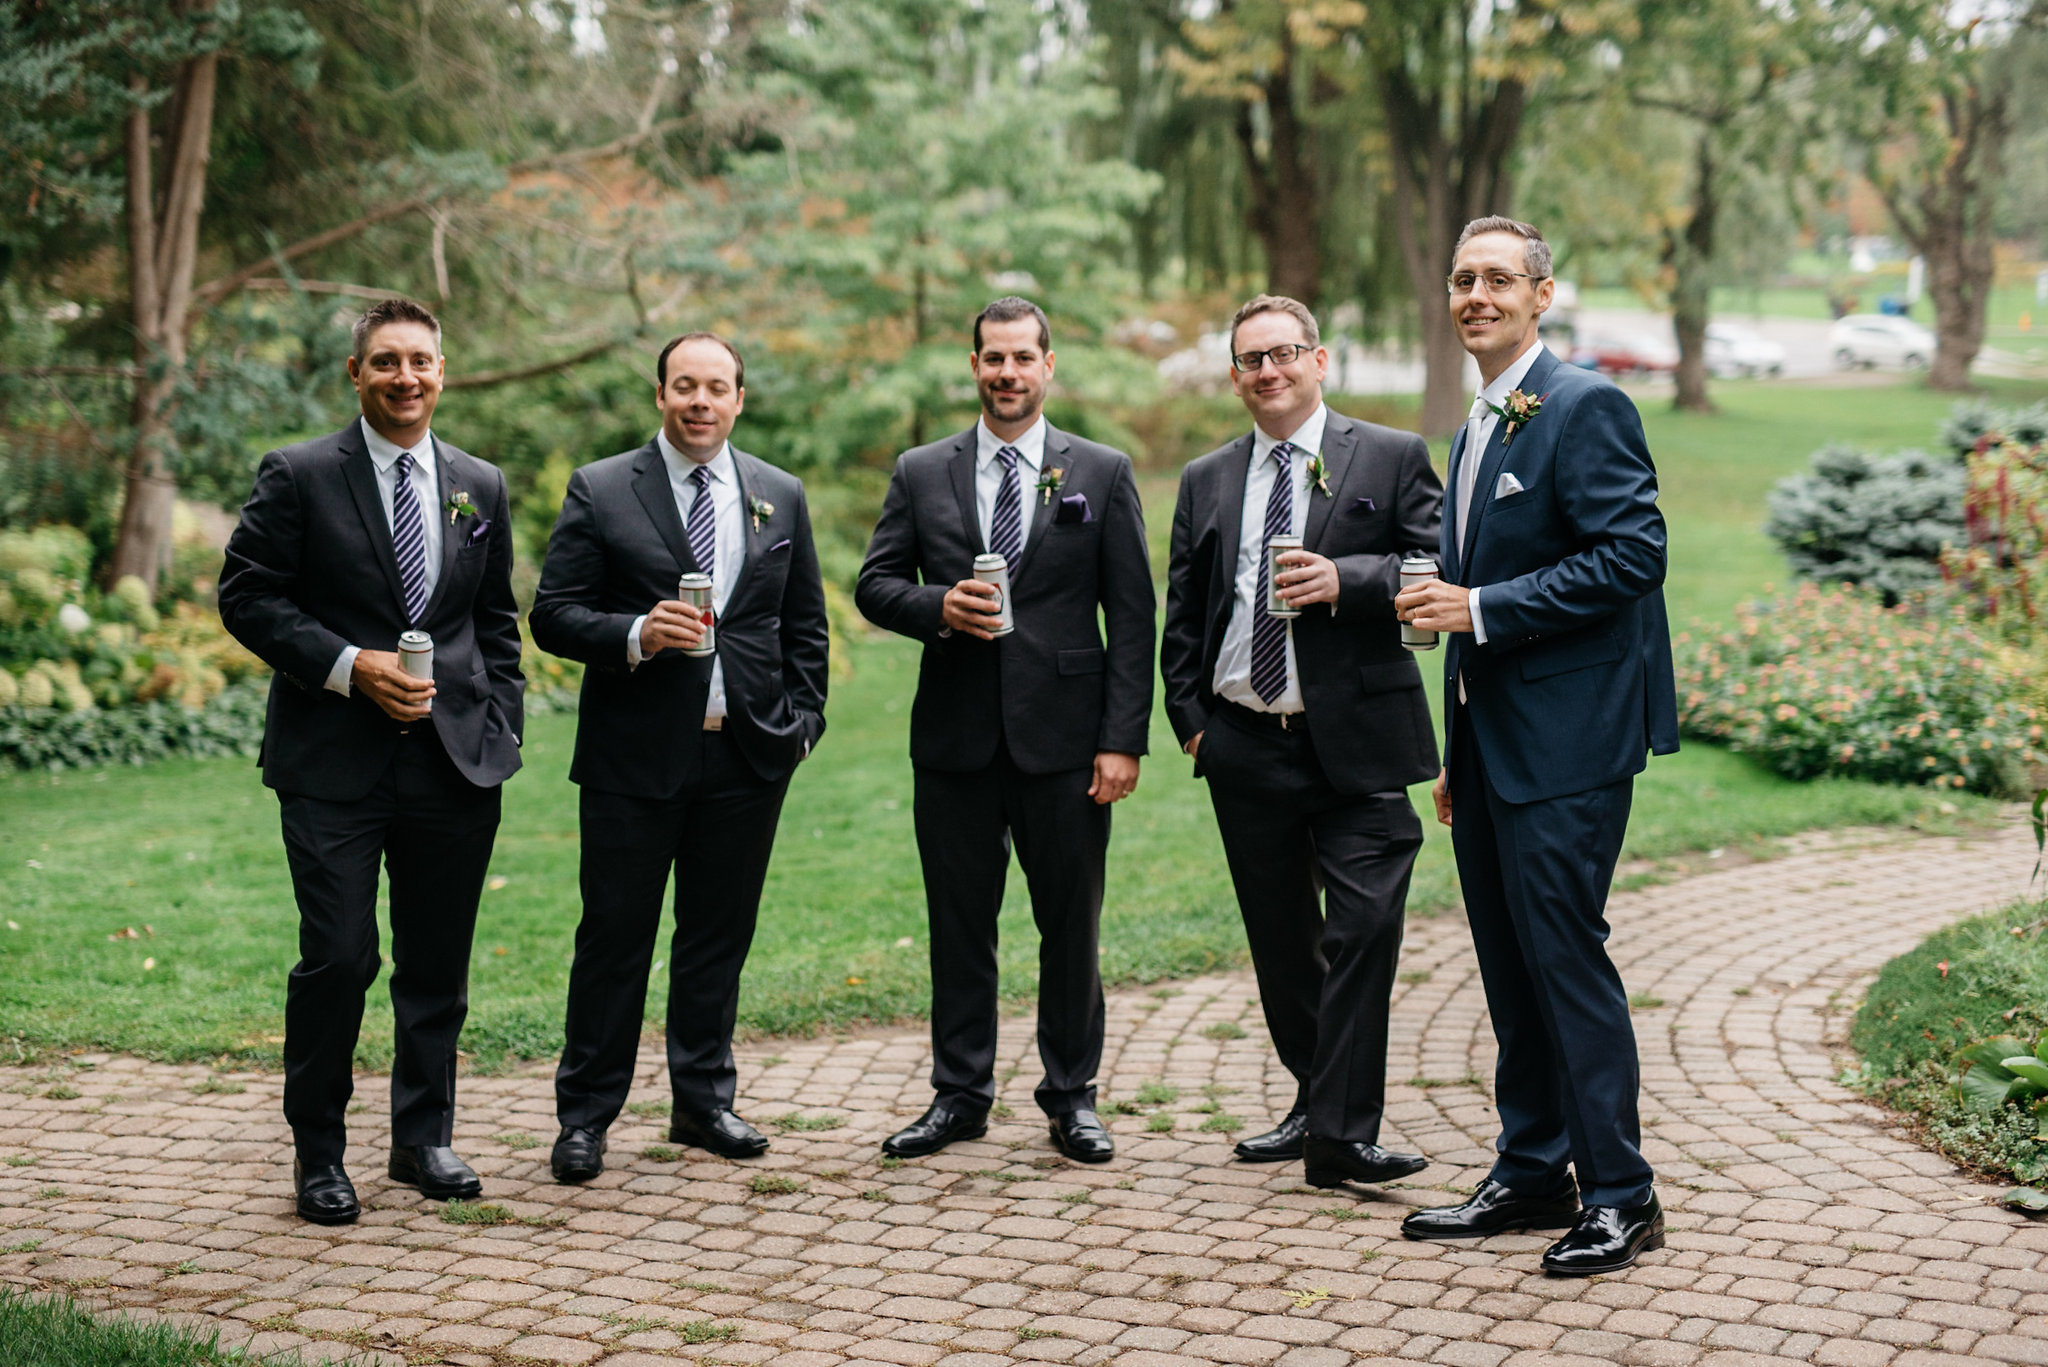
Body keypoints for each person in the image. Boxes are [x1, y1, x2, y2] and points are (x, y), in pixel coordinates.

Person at [1394, 216, 1678, 1274]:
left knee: (1564, 961)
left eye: (1497, 279)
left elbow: (1632, 554)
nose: (1475, 294)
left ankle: (1619, 1191)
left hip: (1569, 744)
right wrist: (1454, 741)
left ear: (1540, 294)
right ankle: (1528, 1168)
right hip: (1491, 744)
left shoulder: (1581, 402)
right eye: (1462, 278)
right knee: (1509, 968)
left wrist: (1483, 604)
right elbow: (1472, 595)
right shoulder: (1477, 424)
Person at [219, 298, 525, 1225]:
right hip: (332, 763)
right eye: (385, 362)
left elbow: (496, 621)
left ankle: (423, 1138)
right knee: (340, 956)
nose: (406, 377)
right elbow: (247, 596)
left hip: (455, 763)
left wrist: (499, 719)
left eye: (421, 361)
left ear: (443, 371)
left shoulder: (481, 482)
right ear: (355, 374)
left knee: (437, 962)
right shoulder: (301, 474)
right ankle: (319, 1151)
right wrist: (351, 669)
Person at [856, 297, 1154, 1163]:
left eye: (1024, 357)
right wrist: (936, 606)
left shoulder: (1099, 471)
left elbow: (1129, 617)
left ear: (1048, 365)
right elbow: (876, 584)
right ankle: (959, 1095)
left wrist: (1121, 737)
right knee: (958, 922)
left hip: (1066, 742)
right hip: (954, 742)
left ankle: (1073, 1096)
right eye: (994, 358)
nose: (1008, 373)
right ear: (975, 366)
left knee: (1071, 922)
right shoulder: (921, 470)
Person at [529, 332, 828, 1180]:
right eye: (684, 385)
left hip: (747, 757)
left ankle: (702, 1103)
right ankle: (585, 1116)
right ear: (660, 395)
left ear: (740, 398)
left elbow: (802, 622)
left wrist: (802, 722)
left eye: (717, 387)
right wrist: (631, 632)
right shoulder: (602, 487)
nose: (701, 401)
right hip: (634, 759)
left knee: (716, 937)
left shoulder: (780, 493)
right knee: (614, 940)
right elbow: (552, 613)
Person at [1160, 294, 1443, 1190]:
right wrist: (1196, 728)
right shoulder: (1207, 476)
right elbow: (1185, 618)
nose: (1268, 370)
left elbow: (1437, 565)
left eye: (1284, 352)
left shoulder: (1390, 456)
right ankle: (1317, 1101)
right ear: (1236, 375)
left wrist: (1346, 579)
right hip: (1243, 742)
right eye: (1250, 359)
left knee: (1361, 929)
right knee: (1282, 942)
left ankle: (1341, 1133)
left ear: (1320, 361)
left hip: (1355, 743)